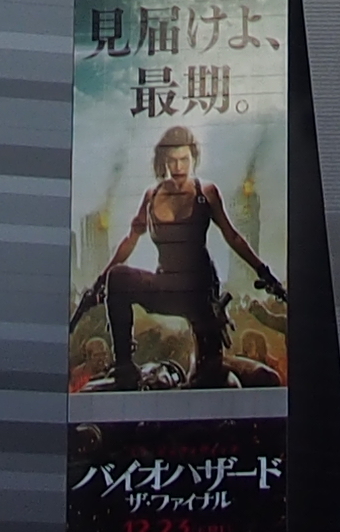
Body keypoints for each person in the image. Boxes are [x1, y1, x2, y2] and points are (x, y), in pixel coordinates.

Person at [88, 123, 281, 387]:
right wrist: (103, 279)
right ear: (163, 161)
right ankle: (124, 366)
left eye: (184, 160)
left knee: (210, 371)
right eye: (172, 161)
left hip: (199, 292)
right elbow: (130, 240)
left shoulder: (206, 193)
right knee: (119, 277)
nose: (178, 167)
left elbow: (232, 236)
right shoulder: (152, 195)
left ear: (193, 158)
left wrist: (264, 272)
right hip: (166, 285)